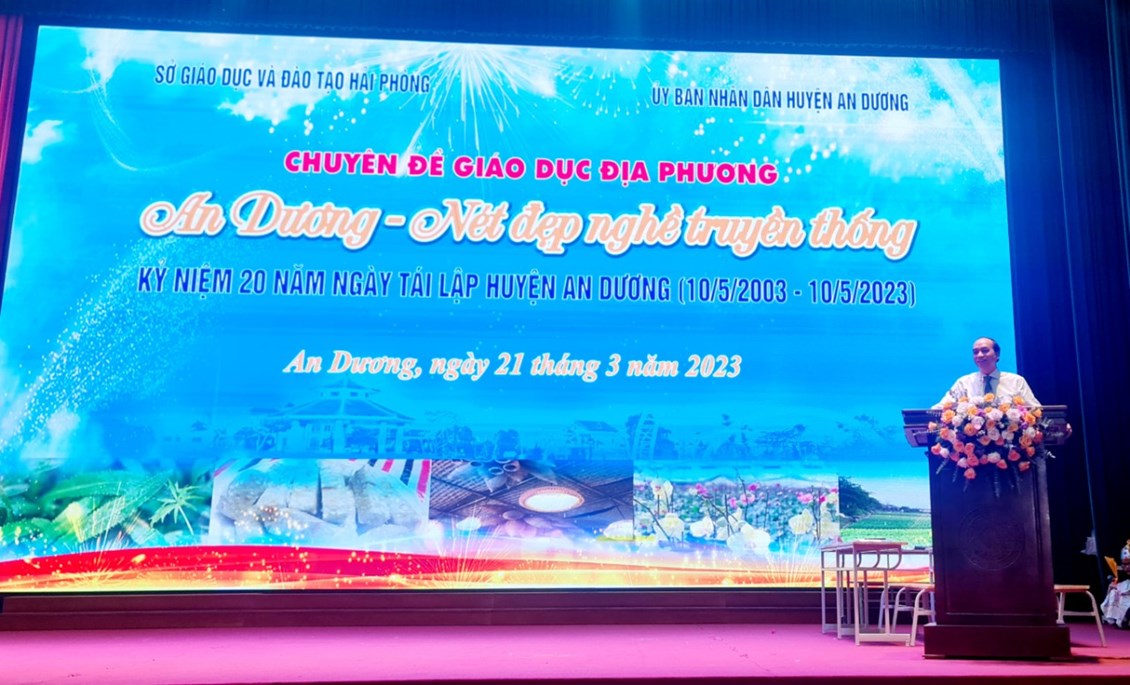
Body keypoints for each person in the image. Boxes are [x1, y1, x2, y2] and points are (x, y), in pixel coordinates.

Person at [932, 336, 1039, 408]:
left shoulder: (1016, 381)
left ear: (997, 355)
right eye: (975, 352)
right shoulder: (964, 383)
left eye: (985, 350)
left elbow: (1036, 410)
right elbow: (942, 408)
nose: (979, 355)